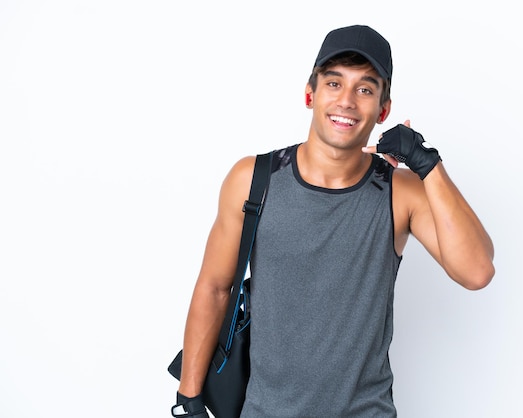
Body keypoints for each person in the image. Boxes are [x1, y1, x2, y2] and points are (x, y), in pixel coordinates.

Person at [172, 24, 495, 417]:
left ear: (383, 110)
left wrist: (427, 163)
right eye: (334, 83)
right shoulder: (253, 179)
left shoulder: (400, 192)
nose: (347, 101)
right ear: (310, 94)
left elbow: (477, 271)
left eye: (365, 89)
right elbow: (214, 288)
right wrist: (188, 400)